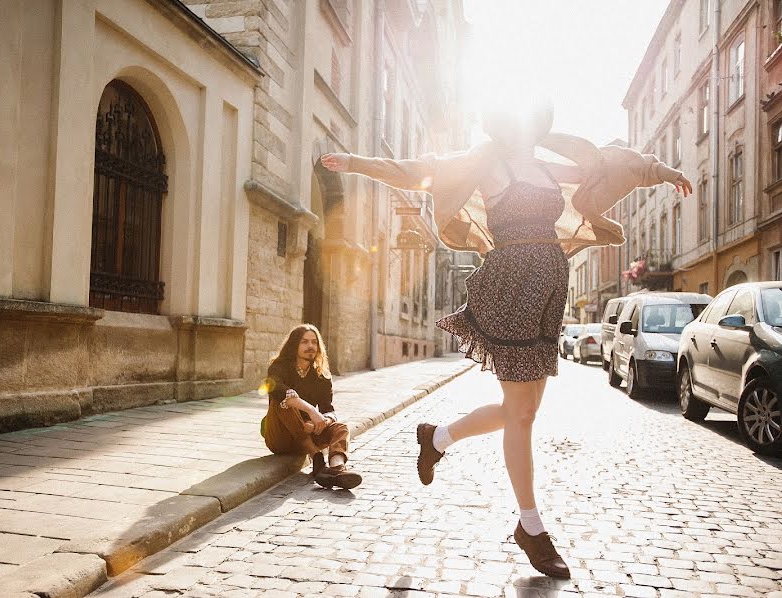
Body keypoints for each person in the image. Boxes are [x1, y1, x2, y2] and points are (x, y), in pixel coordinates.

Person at [320, 98, 691, 578]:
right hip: (511, 288)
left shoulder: (545, 164)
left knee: (524, 411)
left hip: (548, 292)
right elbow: (419, 170)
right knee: (520, 415)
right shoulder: (483, 162)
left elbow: (612, 160)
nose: (528, 126)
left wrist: (662, 170)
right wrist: (355, 164)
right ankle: (531, 529)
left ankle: (438, 437)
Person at [262, 324, 362, 490]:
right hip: (280, 437)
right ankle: (316, 459)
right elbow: (275, 389)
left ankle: (337, 469)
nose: (310, 346)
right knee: (284, 402)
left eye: (314, 342)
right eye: (304, 342)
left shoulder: (322, 376)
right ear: (294, 345)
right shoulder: (278, 367)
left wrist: (321, 422)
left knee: (341, 428)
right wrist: (311, 411)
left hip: (309, 432)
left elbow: (329, 409)